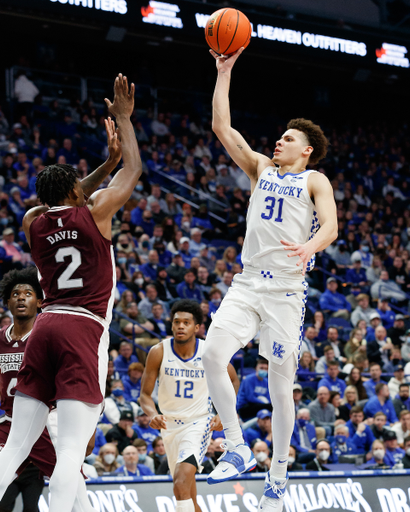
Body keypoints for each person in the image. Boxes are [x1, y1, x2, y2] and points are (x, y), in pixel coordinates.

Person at [201, 47, 337, 510]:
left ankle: (278, 475)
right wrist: (224, 72)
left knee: (281, 389)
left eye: (287, 139)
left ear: (307, 149)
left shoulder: (315, 179)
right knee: (212, 354)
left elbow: (332, 226)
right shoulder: (261, 168)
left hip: (285, 291)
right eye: (278, 138)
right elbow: (223, 127)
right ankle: (239, 449)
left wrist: (310, 245)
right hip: (248, 283)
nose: (277, 143)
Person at [0, 74, 142, 512]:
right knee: (71, 454)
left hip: (44, 328)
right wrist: (124, 121)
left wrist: (101, 167)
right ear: (78, 192)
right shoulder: (96, 211)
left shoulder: (31, 221)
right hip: (82, 330)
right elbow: (133, 170)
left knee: (12, 451)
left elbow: (60, 200)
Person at [0, 268, 96, 512]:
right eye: (15, 293)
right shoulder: (0, 339)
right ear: (7, 302)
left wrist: (89, 428)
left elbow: (78, 381)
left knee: (76, 496)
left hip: (49, 424)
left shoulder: (48, 338)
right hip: (10, 422)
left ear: (40, 301)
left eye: (28, 293)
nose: (21, 297)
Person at [140, 299, 238, 512]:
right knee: (189, 497)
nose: (181, 326)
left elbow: (233, 380)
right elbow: (145, 395)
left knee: (180, 483)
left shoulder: (208, 352)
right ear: (171, 324)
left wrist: (224, 413)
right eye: (177, 322)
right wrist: (152, 414)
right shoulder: (158, 352)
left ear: (196, 327)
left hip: (198, 423)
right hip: (169, 427)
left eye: (186, 322)